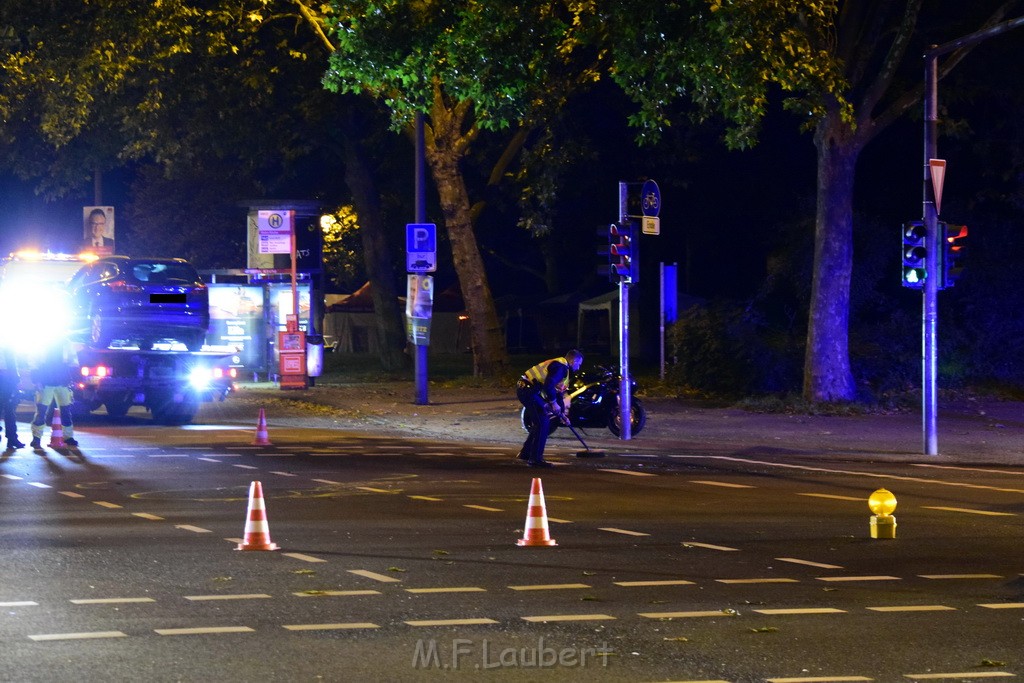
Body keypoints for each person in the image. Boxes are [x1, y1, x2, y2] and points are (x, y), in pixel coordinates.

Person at [516, 349, 583, 467]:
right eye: (579, 364)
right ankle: (535, 459)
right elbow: (548, 386)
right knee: (543, 423)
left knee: (540, 423)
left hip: (529, 391)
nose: (578, 368)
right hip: (528, 391)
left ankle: (526, 453)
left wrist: (562, 414)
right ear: (574, 361)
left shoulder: (562, 369)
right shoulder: (560, 367)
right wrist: (553, 403)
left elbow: (557, 393)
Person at [29, 337, 79, 449]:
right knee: (41, 411)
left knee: (65, 410)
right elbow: (33, 362)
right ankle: (36, 437)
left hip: (62, 382)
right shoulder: (42, 342)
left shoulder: (66, 343)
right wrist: (36, 380)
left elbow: (73, 362)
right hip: (46, 382)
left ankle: (68, 437)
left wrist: (72, 379)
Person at [0, 345, 25, 450]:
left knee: (10, 412)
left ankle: (12, 439)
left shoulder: (9, 349)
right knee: (9, 411)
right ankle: (12, 439)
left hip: (8, 383)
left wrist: (16, 381)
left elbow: (13, 366)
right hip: (6, 382)